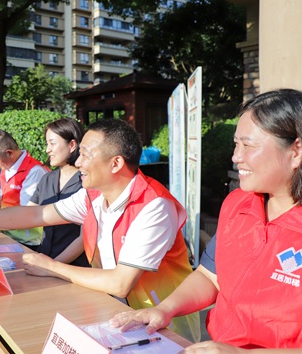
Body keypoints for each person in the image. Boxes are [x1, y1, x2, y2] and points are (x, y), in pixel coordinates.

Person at [0, 119, 199, 341]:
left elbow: (120, 282)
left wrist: (50, 266)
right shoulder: (93, 195)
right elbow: (38, 213)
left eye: (86, 153)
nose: (79, 161)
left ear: (116, 163)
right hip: (119, 314)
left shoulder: (153, 206)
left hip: (163, 325)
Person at [110, 89, 302, 351]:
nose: (236, 156)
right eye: (236, 144)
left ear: (296, 151)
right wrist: (165, 309)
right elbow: (210, 276)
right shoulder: (237, 205)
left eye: (248, 145)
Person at [29, 118, 89, 267]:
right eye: (47, 143)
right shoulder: (47, 178)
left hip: (74, 268)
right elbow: (28, 213)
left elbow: (84, 238)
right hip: (44, 258)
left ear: (72, 145)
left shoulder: (88, 181)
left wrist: (52, 266)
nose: (47, 149)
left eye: (52, 143)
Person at [0, 129, 48, 248]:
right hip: (8, 235)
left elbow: (26, 216)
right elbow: (3, 202)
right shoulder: (6, 168)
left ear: (9, 153)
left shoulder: (34, 171)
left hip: (29, 243)